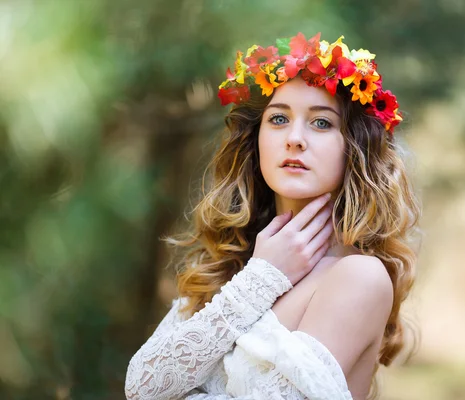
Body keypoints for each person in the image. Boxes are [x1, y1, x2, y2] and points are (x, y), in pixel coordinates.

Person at [124, 32, 420, 400]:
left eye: (322, 123)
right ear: (256, 139)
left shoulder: (359, 276)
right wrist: (261, 279)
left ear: (354, 149)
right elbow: (142, 388)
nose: (294, 138)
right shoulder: (235, 269)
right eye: (279, 119)